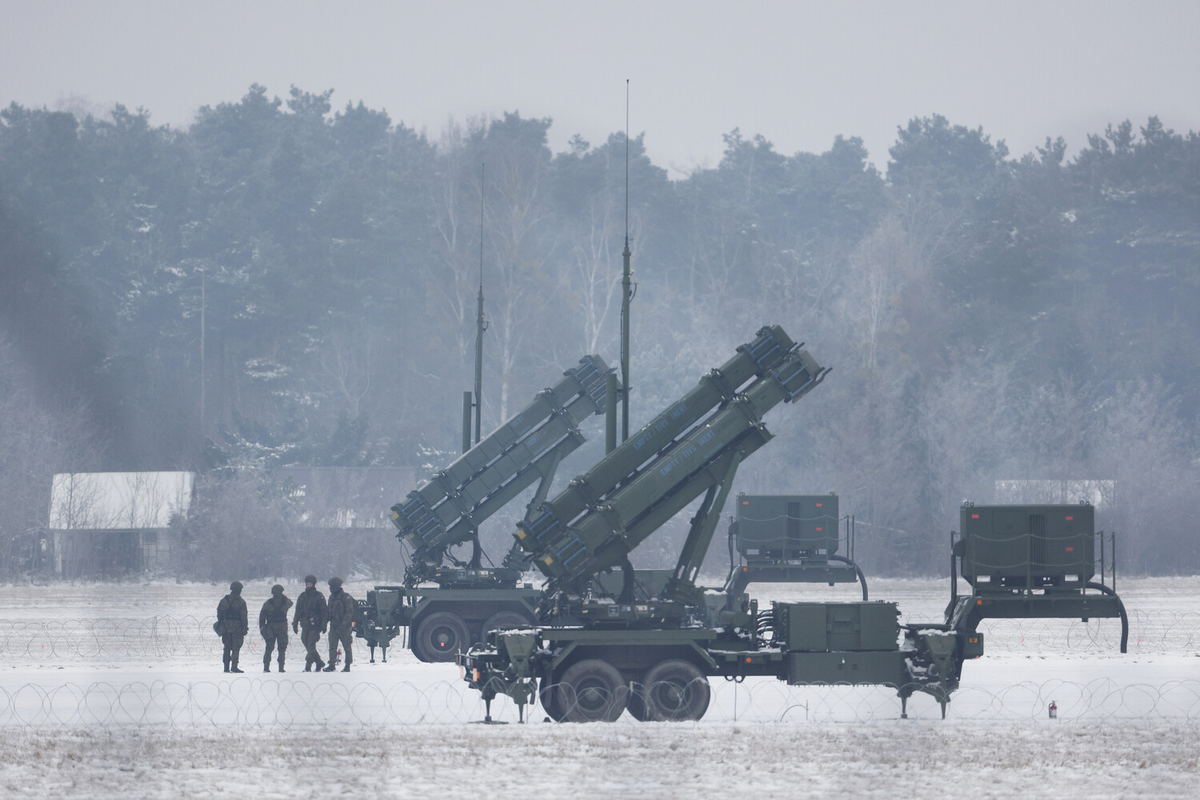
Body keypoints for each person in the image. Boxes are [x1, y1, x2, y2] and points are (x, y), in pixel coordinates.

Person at [293, 574, 328, 672]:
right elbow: (297, 610)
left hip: (315, 625)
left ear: (313, 584)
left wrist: (323, 624)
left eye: (310, 583)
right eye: (307, 583)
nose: (309, 585)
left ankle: (308, 665)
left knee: (311, 644)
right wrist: (295, 623)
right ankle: (319, 662)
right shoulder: (302, 596)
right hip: (305, 624)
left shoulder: (318, 596)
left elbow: (324, 611)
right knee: (305, 642)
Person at [323, 576, 356, 672]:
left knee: (347, 646)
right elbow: (328, 612)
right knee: (332, 646)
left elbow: (349, 612)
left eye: (333, 586)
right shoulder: (331, 598)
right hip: (334, 626)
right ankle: (331, 664)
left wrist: (344, 624)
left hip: (344, 627)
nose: (331, 588)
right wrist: (324, 623)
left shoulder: (346, 597)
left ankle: (347, 665)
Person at [259, 584, 293, 672]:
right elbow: (290, 603)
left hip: (272, 626)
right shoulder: (285, 602)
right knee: (281, 648)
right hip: (280, 627)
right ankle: (280, 668)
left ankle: (267, 667)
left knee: (270, 648)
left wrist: (262, 628)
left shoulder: (268, 603)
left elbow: (262, 616)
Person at [217, 581, 248, 673]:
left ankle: (226, 667)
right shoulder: (241, 602)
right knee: (236, 648)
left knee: (227, 647)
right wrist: (244, 628)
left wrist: (223, 622)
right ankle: (234, 666)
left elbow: (219, 613)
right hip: (237, 628)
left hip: (226, 627)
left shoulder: (224, 600)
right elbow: (243, 616)